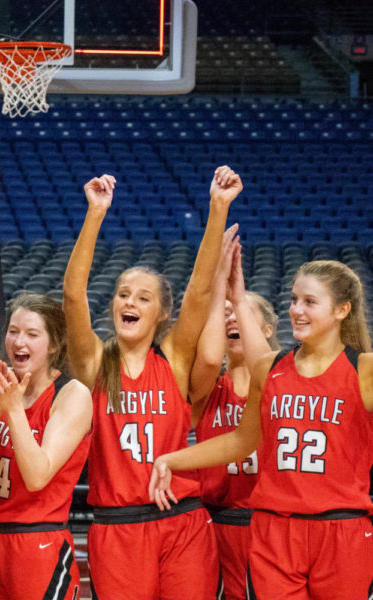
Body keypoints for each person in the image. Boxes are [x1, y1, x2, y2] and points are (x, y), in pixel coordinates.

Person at [62, 168, 241, 599]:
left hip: (183, 521)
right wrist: (95, 215)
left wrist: (218, 207)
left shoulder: (174, 359)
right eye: (123, 293)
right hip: (118, 526)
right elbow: (72, 295)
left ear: (162, 313)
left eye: (143, 297)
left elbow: (198, 293)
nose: (129, 301)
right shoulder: (94, 363)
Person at [150, 256, 373, 599]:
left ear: (342, 310)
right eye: (294, 300)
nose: (297, 310)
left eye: (310, 302)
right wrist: (170, 459)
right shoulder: (270, 367)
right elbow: (241, 440)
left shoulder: (363, 368)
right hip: (274, 529)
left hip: (341, 527)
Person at [0, 293, 92, 600]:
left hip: (37, 541)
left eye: (32, 334)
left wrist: (14, 410)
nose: (19, 342)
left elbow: (37, 476)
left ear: (54, 345)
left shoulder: (72, 395)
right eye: (13, 331)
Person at [187, 237, 280, 600]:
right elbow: (208, 358)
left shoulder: (284, 384)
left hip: (269, 523)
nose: (230, 317)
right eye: (224, 314)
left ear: (266, 329)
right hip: (215, 523)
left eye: (238, 311)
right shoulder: (208, 387)